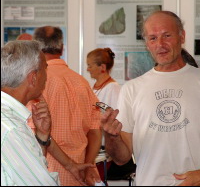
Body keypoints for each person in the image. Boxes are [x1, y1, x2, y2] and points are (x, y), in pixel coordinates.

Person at [100, 11, 200, 186]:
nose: (160, 44)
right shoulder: (131, 89)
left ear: (182, 36)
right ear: (147, 44)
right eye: (152, 38)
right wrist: (111, 137)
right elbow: (122, 158)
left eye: (167, 35)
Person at [1, 40, 93, 186]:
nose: (47, 75)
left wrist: (42, 137)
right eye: (45, 69)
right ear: (33, 78)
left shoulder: (9, 120)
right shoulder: (12, 129)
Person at [30, 26, 102, 186]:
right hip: (81, 173)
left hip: (49, 172)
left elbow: (33, 133)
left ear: (36, 49)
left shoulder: (37, 83)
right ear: (62, 48)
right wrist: (88, 165)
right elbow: (95, 132)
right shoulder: (82, 83)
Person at [87, 48, 123, 182]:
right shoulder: (95, 86)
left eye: (90, 65)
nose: (88, 69)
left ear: (102, 67)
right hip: (93, 150)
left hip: (102, 153)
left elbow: (115, 120)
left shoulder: (113, 88)